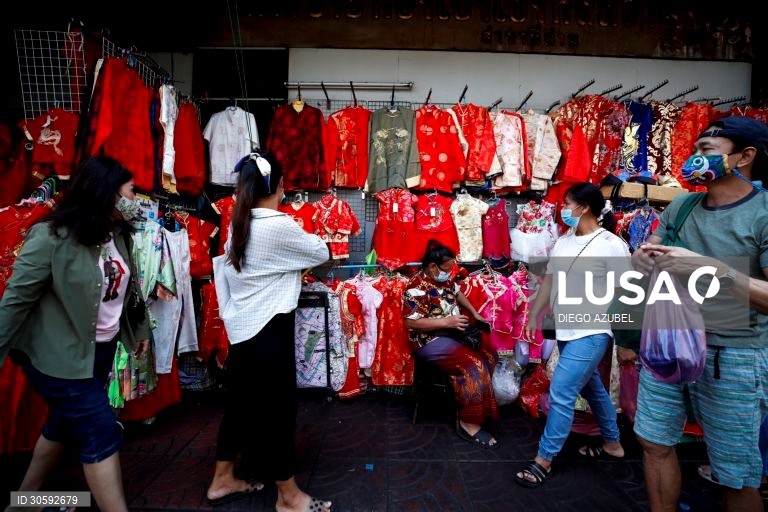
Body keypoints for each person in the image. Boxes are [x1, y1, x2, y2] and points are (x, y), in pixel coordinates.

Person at [632, 116, 768, 512]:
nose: (695, 159)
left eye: (707, 151)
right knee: (654, 442)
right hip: (667, 343)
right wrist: (642, 258)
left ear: (745, 156)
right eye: (695, 150)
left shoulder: (763, 213)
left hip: (735, 355)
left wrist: (711, 269)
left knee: (735, 472)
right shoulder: (682, 205)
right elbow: (652, 251)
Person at [0, 156, 150, 512]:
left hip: (99, 351)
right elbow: (16, 300)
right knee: (101, 432)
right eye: (131, 190)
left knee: (64, 423)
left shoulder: (117, 234)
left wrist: (138, 330)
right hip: (59, 358)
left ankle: (26, 501)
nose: (136, 198)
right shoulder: (50, 236)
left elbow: (126, 291)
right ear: (107, 194)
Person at [209, 150, 333, 512]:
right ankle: (288, 496)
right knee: (278, 412)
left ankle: (222, 479)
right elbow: (320, 250)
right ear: (278, 185)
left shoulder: (240, 223)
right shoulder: (277, 224)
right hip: (269, 332)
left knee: (240, 408)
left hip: (244, 333)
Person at [515, 182, 631, 488]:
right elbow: (549, 284)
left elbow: (626, 293)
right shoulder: (564, 242)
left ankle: (544, 459)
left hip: (593, 330)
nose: (562, 209)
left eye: (567, 204)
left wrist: (627, 338)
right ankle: (613, 443)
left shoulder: (611, 244)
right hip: (566, 328)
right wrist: (533, 314)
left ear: (585, 208)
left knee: (562, 392)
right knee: (593, 388)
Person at [403, 239, 500, 448]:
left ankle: (479, 407)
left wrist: (475, 314)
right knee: (472, 365)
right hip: (427, 341)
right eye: (447, 268)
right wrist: (447, 321)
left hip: (451, 333)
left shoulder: (444, 280)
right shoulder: (416, 287)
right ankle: (468, 421)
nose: (450, 272)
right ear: (432, 267)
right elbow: (411, 322)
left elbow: (457, 292)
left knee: (489, 354)